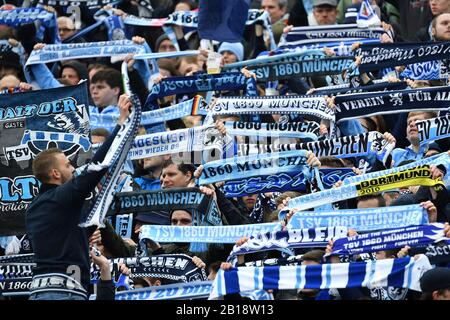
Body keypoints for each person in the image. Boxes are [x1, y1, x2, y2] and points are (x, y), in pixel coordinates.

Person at [26, 94, 132, 300]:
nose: (73, 168)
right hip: (63, 294)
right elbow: (97, 167)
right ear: (55, 174)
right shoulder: (62, 197)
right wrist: (121, 125)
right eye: (67, 165)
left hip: (39, 292)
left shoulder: (35, 208)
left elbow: (67, 235)